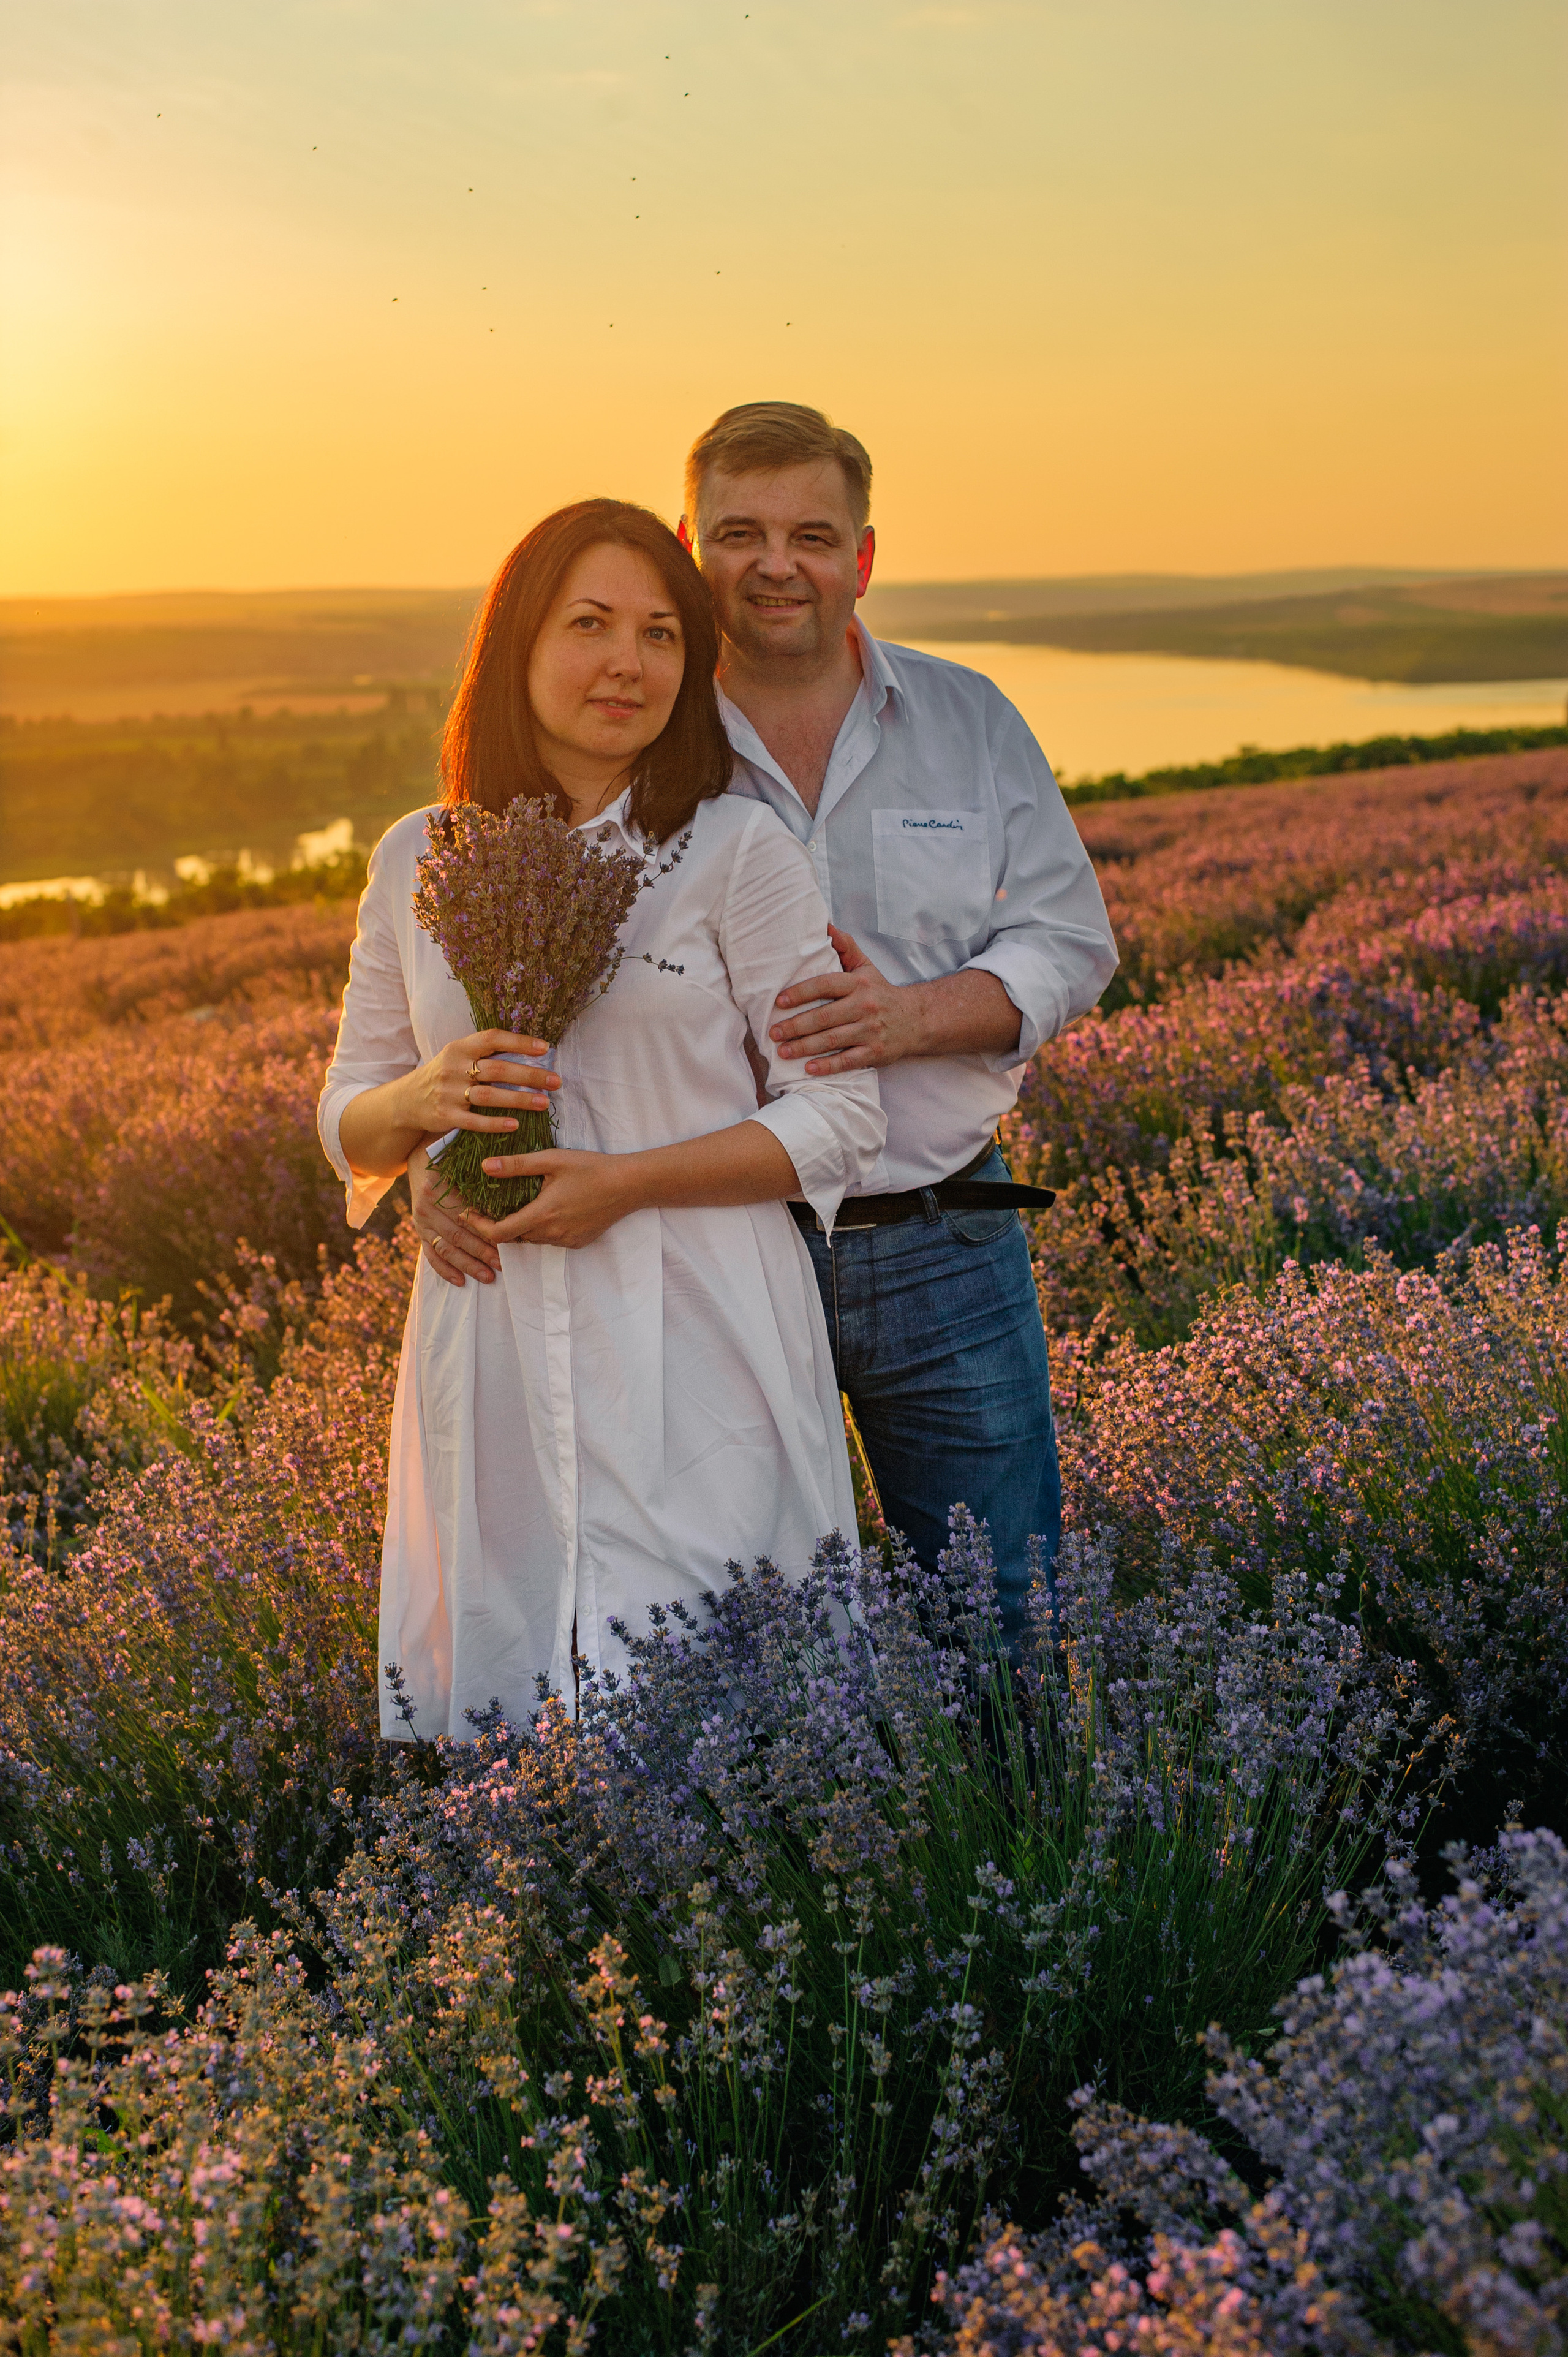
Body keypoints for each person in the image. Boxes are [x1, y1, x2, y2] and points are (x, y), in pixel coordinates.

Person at [413, 409, 1118, 1650]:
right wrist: (433, 1159)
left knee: (1006, 1611)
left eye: (812, 534)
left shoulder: (967, 718)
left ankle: (1010, 1836)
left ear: (864, 555)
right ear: (691, 546)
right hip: (705, 1257)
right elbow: (514, 995)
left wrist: (907, 1017)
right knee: (741, 1633)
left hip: (937, 1235)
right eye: (738, 533)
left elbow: (1069, 943)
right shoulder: (633, 739)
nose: (776, 563)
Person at [318, 499, 885, 1740]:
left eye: (660, 635)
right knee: (518, 1699)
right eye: (588, 624)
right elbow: (348, 1119)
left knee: (726, 1720)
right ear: (516, 642)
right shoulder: (419, 855)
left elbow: (838, 1117)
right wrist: (422, 1120)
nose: (627, 661)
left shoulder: (734, 849)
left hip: (696, 1322)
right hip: (498, 1334)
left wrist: (626, 1181)